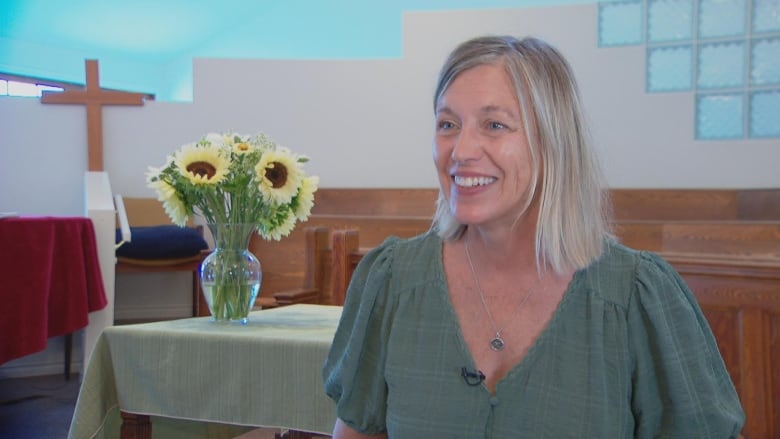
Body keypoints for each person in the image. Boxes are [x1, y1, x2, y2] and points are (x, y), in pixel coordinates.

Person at [322, 35, 745, 438]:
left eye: (494, 125)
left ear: (553, 142)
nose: (462, 149)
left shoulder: (637, 295)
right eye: (448, 123)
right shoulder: (394, 279)